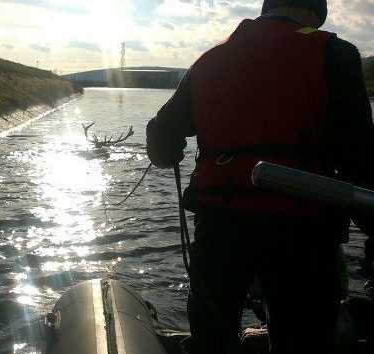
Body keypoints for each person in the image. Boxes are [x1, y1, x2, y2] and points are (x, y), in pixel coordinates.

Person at [145, 0, 374, 353]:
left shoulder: (209, 60)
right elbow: (361, 163)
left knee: (212, 338)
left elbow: (161, 144)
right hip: (304, 232)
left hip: (220, 227)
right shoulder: (336, 54)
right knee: (304, 338)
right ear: (312, 14)